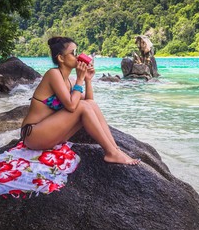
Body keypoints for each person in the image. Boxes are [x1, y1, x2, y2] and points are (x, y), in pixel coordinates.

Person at [21, 36, 140, 165]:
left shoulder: (70, 81)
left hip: (52, 136)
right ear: (61, 58)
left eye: (78, 52)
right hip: (32, 135)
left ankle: (115, 149)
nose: (78, 57)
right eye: (73, 53)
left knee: (88, 104)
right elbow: (72, 106)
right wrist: (80, 79)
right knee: (81, 106)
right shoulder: (53, 74)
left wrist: (87, 80)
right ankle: (111, 152)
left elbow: (90, 104)